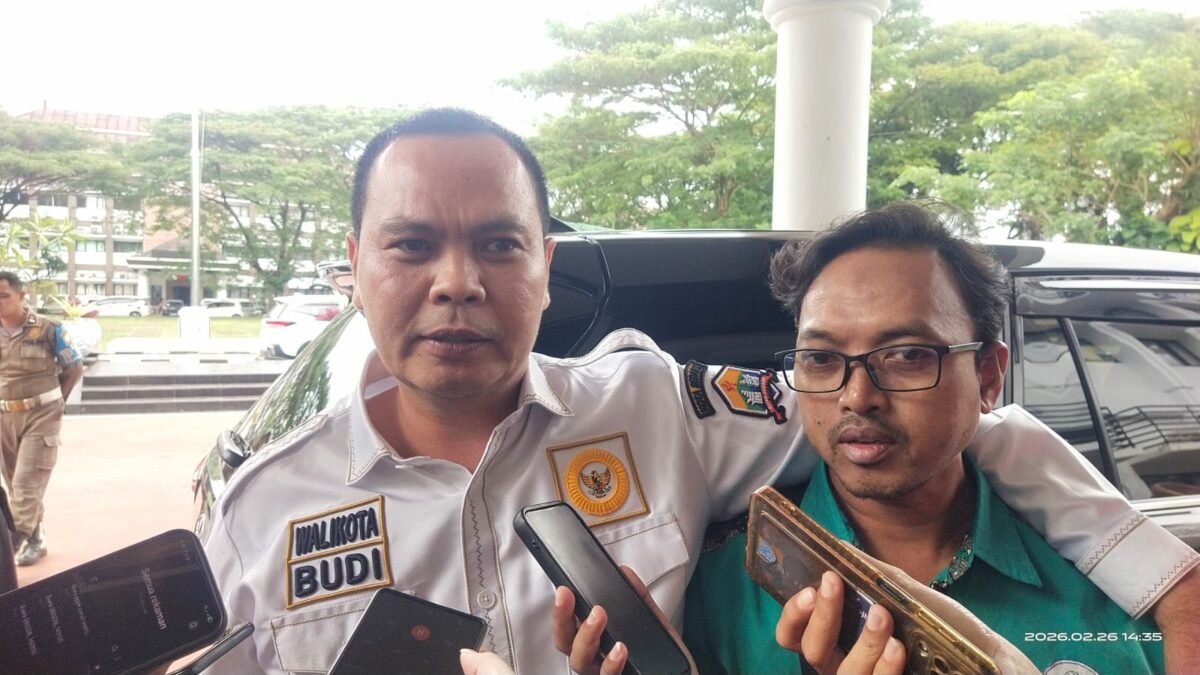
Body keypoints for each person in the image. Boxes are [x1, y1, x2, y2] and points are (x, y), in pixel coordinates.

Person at [201, 109, 1199, 674]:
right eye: (412, 244)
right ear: (355, 263)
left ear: (545, 266)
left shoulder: (653, 406)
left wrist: (1165, 576)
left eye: (500, 244)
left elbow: (926, 418)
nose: (457, 281)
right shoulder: (258, 514)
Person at [681, 204, 1169, 673]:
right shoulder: (716, 592)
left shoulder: (1122, 588)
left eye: (908, 355)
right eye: (822, 359)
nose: (857, 397)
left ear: (987, 377)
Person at [0, 271, 83, 566]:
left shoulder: (49, 328)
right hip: (5, 417)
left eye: (3, 296)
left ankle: (9, 548)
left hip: (42, 415)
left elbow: (74, 369)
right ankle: (36, 539)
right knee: (16, 485)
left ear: (21, 296)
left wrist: (55, 404)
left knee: (26, 482)